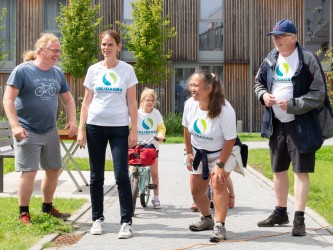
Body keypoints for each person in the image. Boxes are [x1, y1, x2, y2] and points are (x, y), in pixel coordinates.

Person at [254, 19, 327, 237]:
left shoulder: (307, 59)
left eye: (280, 36)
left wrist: (294, 105)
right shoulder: (270, 58)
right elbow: (258, 82)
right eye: (274, 37)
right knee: (278, 170)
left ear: (293, 38)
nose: (275, 40)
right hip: (276, 124)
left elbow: (319, 93)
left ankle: (299, 218)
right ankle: (280, 212)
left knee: (300, 171)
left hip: (301, 125)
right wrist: (263, 95)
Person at [3, 33, 77, 226]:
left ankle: (47, 207)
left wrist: (72, 120)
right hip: (27, 129)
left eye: (59, 51)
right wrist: (15, 126)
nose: (57, 54)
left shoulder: (57, 73)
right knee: (29, 171)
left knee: (54, 169)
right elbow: (8, 99)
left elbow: (68, 100)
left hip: (50, 130)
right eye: (54, 50)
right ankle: (24, 213)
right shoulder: (22, 71)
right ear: (41, 50)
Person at [77, 30, 138, 239]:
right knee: (96, 176)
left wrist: (134, 129)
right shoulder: (93, 70)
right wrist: (80, 129)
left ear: (118, 46)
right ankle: (97, 219)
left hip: (119, 127)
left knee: (121, 174)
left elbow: (132, 102)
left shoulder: (127, 70)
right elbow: (86, 102)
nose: (106, 48)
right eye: (103, 44)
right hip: (94, 126)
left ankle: (126, 222)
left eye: (110, 44)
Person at [182, 69, 245, 242]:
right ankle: (206, 219)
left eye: (197, 85)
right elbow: (187, 129)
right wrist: (188, 152)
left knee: (218, 182)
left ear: (209, 88)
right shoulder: (190, 104)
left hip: (224, 151)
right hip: (199, 152)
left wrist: (220, 164)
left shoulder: (225, 109)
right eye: (191, 85)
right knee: (196, 192)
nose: (192, 89)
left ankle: (220, 226)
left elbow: (230, 139)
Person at [130, 88, 166, 208]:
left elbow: (161, 127)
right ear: (141, 101)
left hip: (152, 145)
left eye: (152, 100)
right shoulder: (137, 113)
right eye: (147, 100)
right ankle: (131, 188)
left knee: (154, 172)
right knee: (133, 168)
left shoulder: (156, 113)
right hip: (137, 144)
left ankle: (156, 198)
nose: (149, 102)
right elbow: (129, 126)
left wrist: (160, 135)